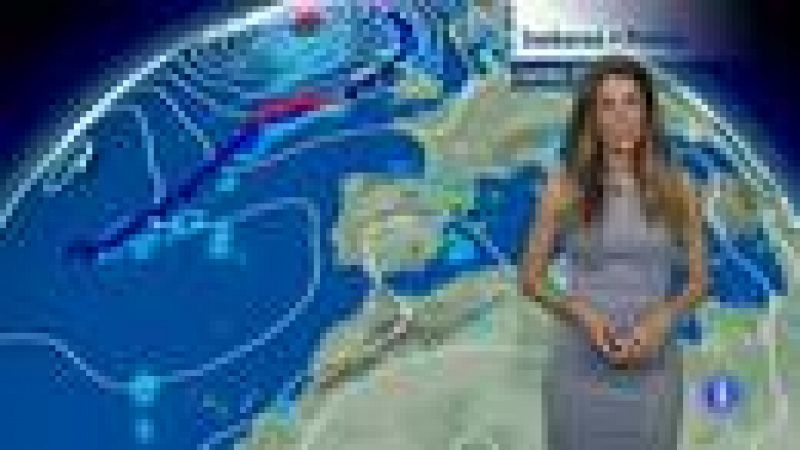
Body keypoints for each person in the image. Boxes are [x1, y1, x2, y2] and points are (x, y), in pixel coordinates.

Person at [519, 55, 707, 450]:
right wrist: (581, 313)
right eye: (608, 105)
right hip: (579, 369)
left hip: (654, 371)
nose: (621, 117)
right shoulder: (563, 188)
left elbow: (698, 282)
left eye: (631, 102)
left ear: (647, 112)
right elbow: (531, 279)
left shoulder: (680, 188)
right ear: (592, 118)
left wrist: (664, 317)